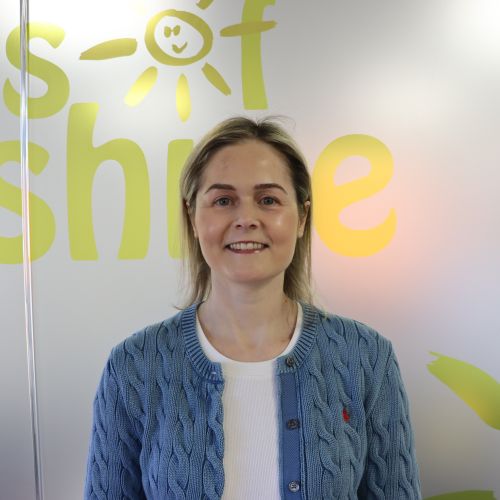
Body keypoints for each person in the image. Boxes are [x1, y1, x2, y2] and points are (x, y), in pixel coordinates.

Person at [84, 116, 421, 499]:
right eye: (223, 200)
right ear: (193, 217)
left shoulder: (366, 358)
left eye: (268, 200)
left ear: (301, 218)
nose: (246, 219)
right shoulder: (134, 367)